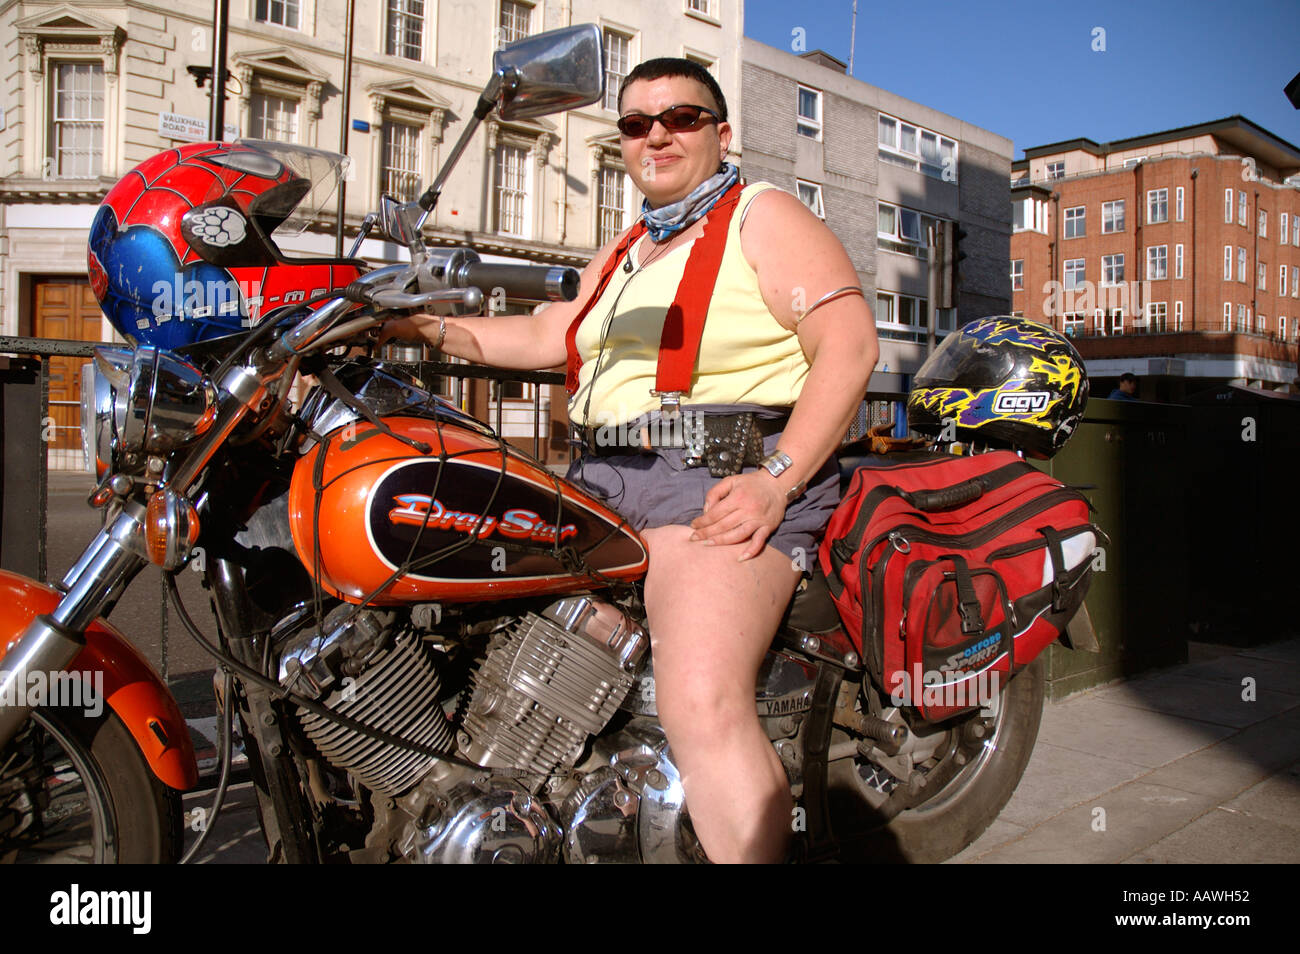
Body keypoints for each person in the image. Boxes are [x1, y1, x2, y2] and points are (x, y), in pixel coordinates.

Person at [381, 58, 878, 863]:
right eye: (637, 123)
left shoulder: (762, 214)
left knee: (700, 704)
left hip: (715, 477)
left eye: (681, 117)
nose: (658, 134)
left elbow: (850, 344)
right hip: (599, 484)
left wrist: (776, 479)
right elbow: (548, 336)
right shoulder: (629, 249)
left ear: (721, 134)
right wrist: (415, 328)